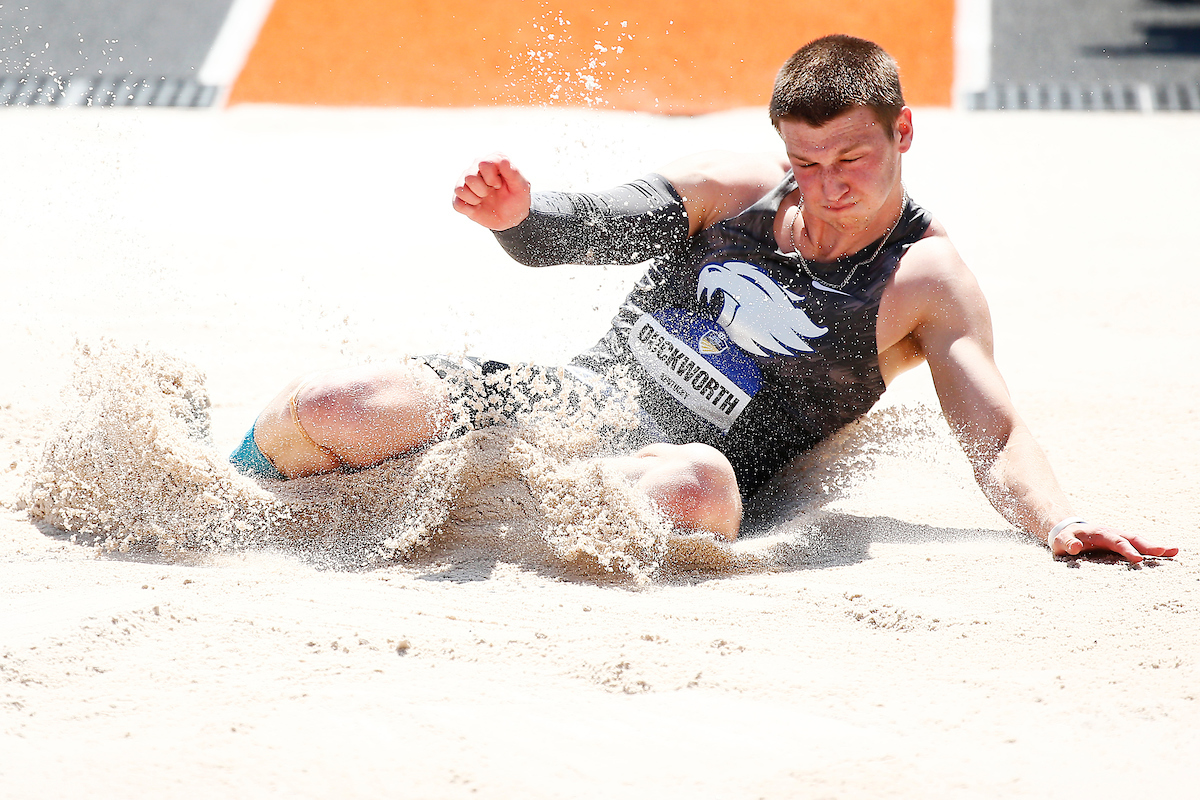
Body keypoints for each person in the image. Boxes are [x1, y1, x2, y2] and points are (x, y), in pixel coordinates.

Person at [231, 34, 1176, 563]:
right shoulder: (734, 183)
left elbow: (997, 435)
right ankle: (228, 468)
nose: (829, 185)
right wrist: (518, 216)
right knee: (339, 405)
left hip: (681, 471)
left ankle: (484, 518)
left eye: (853, 157)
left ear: (904, 130)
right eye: (808, 162)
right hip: (577, 405)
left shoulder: (923, 281)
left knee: (699, 486)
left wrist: (1056, 520)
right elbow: (579, 229)